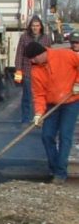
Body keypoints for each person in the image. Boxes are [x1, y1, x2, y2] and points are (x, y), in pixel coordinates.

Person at [24, 41, 79, 185]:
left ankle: (60, 173)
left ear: (41, 53)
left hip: (71, 101)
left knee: (65, 136)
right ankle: (54, 168)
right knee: (47, 135)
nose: (32, 61)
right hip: (51, 104)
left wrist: (78, 83)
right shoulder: (36, 70)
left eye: (33, 58)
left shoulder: (64, 55)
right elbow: (39, 94)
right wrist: (38, 114)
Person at [13, 15, 51, 124]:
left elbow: (50, 54)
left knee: (42, 96)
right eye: (33, 26)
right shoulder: (24, 37)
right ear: (30, 27)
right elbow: (19, 54)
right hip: (28, 71)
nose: (35, 28)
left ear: (41, 27)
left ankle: (40, 118)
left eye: (37, 26)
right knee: (27, 97)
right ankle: (25, 120)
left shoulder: (46, 38)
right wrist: (18, 70)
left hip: (42, 72)